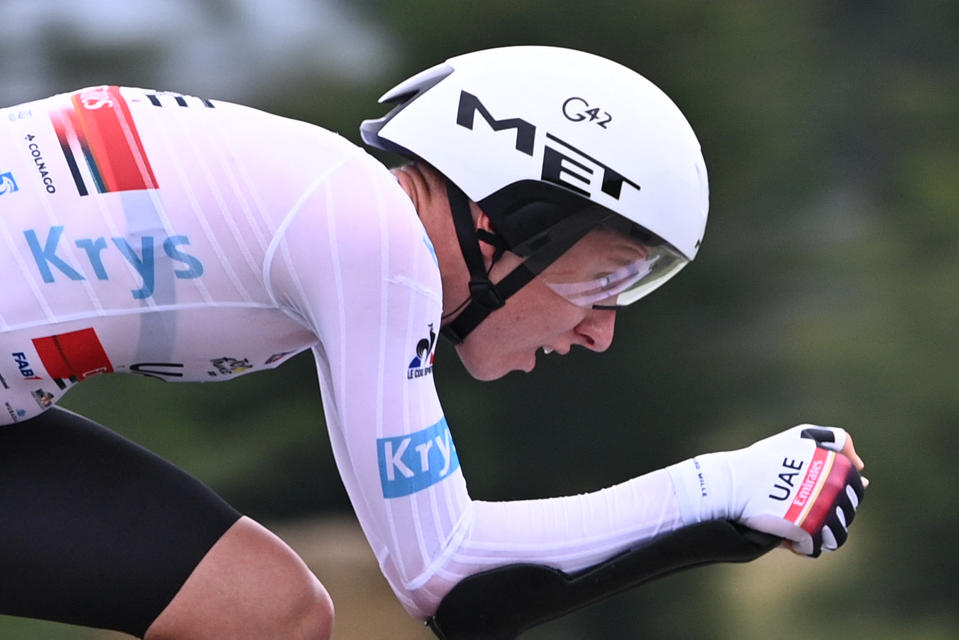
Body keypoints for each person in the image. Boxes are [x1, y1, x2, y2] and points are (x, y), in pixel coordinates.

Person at [0, 46, 865, 639]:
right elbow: (446, 578)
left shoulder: (332, 214)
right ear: (513, 222)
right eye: (606, 279)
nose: (602, 330)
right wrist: (726, 487)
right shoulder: (374, 242)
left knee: (259, 611)